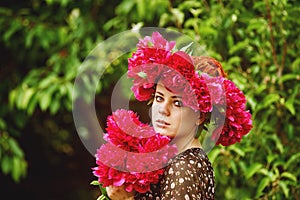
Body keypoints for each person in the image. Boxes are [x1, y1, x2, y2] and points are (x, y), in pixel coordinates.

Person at [106, 32, 252, 200]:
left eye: (177, 103)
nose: (163, 110)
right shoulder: (177, 161)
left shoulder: (184, 168)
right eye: (159, 98)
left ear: (200, 116)